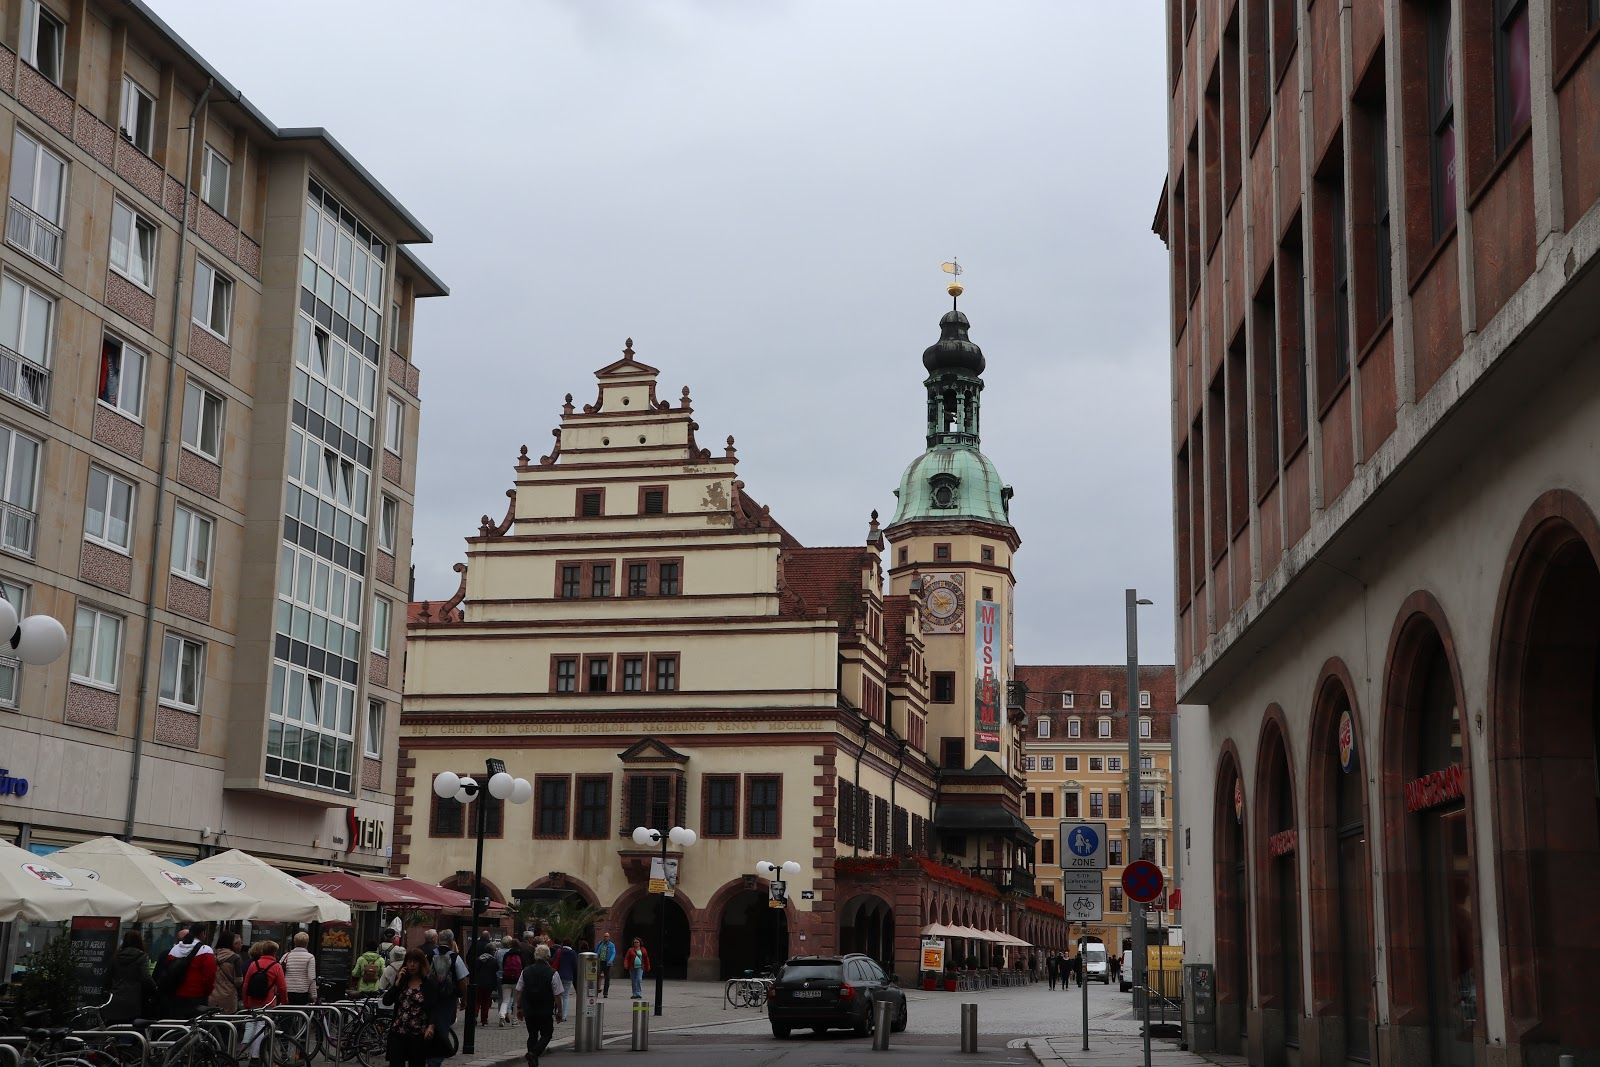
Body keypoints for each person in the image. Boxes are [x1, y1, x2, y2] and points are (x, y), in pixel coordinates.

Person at [382, 949, 437, 1067]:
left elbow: (433, 1007)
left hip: (418, 1033)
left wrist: (431, 1026)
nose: (412, 965)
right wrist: (396, 983)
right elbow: (386, 1001)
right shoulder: (402, 982)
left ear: (421, 964)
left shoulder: (428, 984)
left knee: (416, 1063)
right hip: (398, 1030)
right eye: (409, 962)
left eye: (415, 962)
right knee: (396, 1063)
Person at [514, 944, 564, 1067]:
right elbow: (557, 995)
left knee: (532, 1034)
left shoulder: (525, 971)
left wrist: (519, 1007)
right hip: (545, 1009)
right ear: (548, 957)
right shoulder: (553, 973)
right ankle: (534, 1054)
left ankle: (532, 1060)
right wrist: (559, 1011)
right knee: (547, 1033)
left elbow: (519, 990)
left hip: (529, 1008)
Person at [424, 935, 467, 1067]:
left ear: (438, 941)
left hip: (429, 997)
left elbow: (424, 975)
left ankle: (427, 1056)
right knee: (442, 1027)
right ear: (451, 942)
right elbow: (462, 980)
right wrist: (463, 998)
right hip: (447, 999)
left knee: (427, 1025)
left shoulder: (430, 955)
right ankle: (435, 1061)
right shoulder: (455, 957)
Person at [160, 926, 218, 1018]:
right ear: (202, 934)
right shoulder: (205, 950)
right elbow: (210, 976)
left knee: (178, 1027)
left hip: (176, 996)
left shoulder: (174, 950)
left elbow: (167, 971)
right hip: (197, 996)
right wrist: (207, 992)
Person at [105, 930, 155, 1024]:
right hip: (134, 1000)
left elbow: (107, 977)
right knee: (131, 1030)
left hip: (114, 998)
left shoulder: (116, 956)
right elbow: (145, 977)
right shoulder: (142, 956)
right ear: (139, 941)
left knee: (112, 1030)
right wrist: (154, 988)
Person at [242, 941, 287, 1009]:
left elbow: (246, 985)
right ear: (274, 952)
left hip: (252, 1002)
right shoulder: (276, 966)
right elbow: (282, 987)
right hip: (268, 1003)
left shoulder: (253, 964)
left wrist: (245, 1002)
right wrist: (284, 1002)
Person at [210, 933, 245, 1013]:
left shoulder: (212, 955)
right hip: (229, 996)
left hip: (212, 995)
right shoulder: (235, 958)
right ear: (231, 943)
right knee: (227, 1021)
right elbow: (238, 981)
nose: (241, 945)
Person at [469, 935, 499, 1026]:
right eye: (494, 950)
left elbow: (475, 970)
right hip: (488, 984)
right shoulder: (493, 961)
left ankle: (474, 1016)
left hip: (478, 983)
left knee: (477, 1000)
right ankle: (484, 1020)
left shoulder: (479, 959)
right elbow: (496, 970)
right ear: (492, 951)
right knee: (486, 1002)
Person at [282, 931, 318, 1005]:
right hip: (302, 991)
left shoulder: (286, 956)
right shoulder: (310, 957)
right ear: (307, 943)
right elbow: (311, 978)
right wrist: (314, 995)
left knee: (287, 1014)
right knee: (301, 1013)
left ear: (295, 942)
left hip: (286, 990)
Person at [498, 936, 523, 1027]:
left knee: (505, 1000)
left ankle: (502, 1016)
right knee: (516, 1002)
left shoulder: (506, 954)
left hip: (506, 979)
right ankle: (515, 1020)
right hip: (517, 980)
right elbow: (523, 967)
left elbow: (503, 966)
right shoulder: (520, 954)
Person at [553, 939, 577, 1023]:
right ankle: (564, 1016)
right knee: (566, 996)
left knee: (558, 994)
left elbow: (554, 962)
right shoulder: (573, 953)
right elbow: (575, 966)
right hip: (568, 977)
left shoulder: (559, 951)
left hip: (558, 976)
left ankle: (557, 1011)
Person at [595, 931, 616, 999]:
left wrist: (610, 960)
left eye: (607, 936)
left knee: (607, 978)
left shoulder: (611, 945)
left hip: (607, 963)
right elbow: (596, 951)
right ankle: (596, 990)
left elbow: (613, 953)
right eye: (604, 936)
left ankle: (605, 993)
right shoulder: (600, 943)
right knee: (597, 977)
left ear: (609, 937)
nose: (605, 937)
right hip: (600, 962)